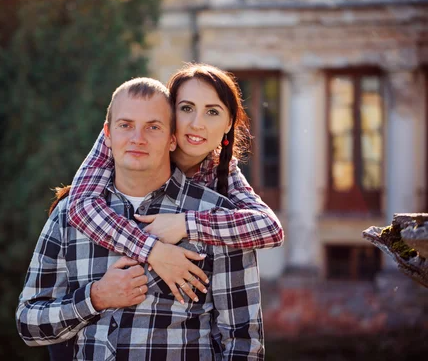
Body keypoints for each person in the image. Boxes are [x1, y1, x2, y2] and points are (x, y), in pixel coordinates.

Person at [17, 77, 264, 359]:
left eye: (153, 127)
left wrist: (187, 226)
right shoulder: (70, 214)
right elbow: (28, 325)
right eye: (125, 125)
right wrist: (94, 299)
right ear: (107, 134)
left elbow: (244, 343)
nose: (137, 138)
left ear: (173, 138)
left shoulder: (220, 218)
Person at [67, 63, 283, 303]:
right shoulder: (130, 140)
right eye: (186, 108)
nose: (196, 124)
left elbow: (269, 228)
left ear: (229, 124)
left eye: (212, 112)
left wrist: (186, 224)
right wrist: (153, 251)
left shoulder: (219, 167)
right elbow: (79, 207)